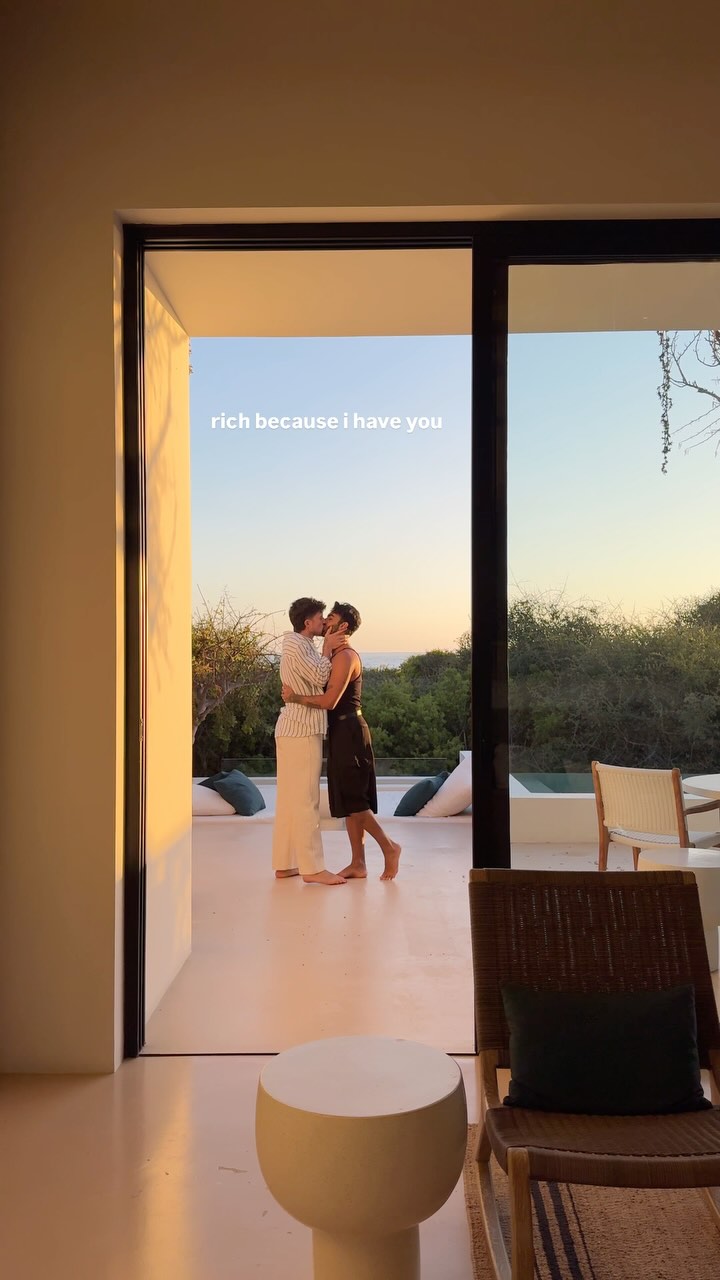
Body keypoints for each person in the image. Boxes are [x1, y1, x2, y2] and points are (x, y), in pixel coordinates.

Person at [282, 602, 402, 881]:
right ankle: (358, 863)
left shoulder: (345, 657)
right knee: (349, 801)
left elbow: (329, 701)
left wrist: (295, 698)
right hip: (339, 731)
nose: (325, 622)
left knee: (356, 801)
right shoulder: (333, 655)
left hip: (350, 732)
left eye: (331, 618)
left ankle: (390, 847)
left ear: (343, 626)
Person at [272, 597, 349, 886]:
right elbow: (320, 677)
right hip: (301, 730)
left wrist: (322, 649)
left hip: (293, 729)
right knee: (306, 800)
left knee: (290, 800)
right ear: (307, 623)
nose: (323, 622)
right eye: (320, 618)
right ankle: (313, 868)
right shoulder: (297, 645)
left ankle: (285, 864)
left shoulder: (299, 645)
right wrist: (328, 649)